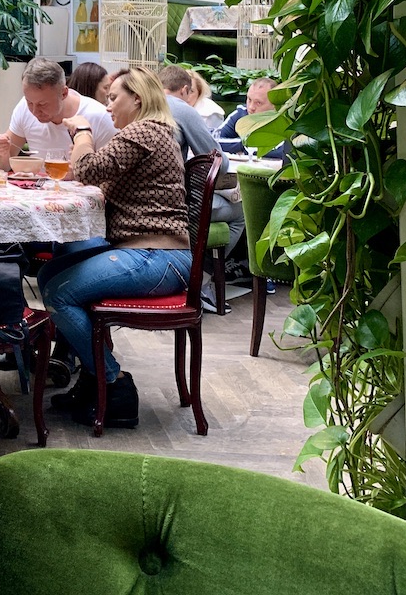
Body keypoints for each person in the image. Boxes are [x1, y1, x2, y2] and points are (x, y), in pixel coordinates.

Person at [37, 67, 192, 429]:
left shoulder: (145, 131)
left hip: (158, 256)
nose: (108, 107)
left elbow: (88, 169)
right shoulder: (153, 133)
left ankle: (113, 383)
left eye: (114, 98)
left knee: (59, 293)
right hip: (151, 251)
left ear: (137, 98)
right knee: (50, 271)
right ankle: (92, 379)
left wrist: (83, 132)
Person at [159, 64, 243, 312]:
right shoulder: (180, 108)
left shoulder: (143, 103)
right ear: (185, 90)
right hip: (176, 204)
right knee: (241, 212)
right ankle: (201, 278)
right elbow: (219, 160)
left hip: (143, 201)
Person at [0, 57, 115, 171]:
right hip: (39, 192)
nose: (34, 111)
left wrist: (75, 174)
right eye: (29, 102)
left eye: (43, 104)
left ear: (64, 93)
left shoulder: (99, 116)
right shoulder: (23, 108)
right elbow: (2, 166)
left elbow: (111, 175)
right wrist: (0, 150)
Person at [215, 78, 283, 157]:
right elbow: (215, 140)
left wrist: (240, 149)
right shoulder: (240, 113)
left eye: (258, 103)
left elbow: (281, 152)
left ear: (274, 105)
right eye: (249, 99)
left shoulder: (282, 121)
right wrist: (244, 145)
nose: (251, 107)